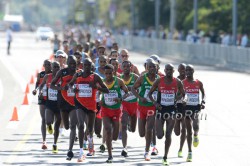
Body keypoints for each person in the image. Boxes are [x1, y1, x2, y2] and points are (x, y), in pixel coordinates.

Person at [68, 58, 109, 161]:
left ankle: (90, 142)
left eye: (88, 65)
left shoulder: (95, 77)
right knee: (81, 125)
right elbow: (70, 84)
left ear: (91, 66)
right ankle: (81, 151)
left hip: (91, 105)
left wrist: (96, 87)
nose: (86, 67)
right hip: (79, 103)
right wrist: (73, 89)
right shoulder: (77, 75)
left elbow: (106, 90)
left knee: (90, 129)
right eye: (85, 65)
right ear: (82, 65)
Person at [148, 63, 185, 165]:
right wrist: (155, 103)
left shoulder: (177, 82)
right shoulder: (159, 80)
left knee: (168, 135)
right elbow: (150, 93)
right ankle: (161, 130)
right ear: (164, 71)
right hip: (160, 109)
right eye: (167, 70)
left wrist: (179, 99)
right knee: (159, 135)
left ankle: (165, 157)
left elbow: (183, 93)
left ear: (173, 71)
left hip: (172, 110)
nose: (169, 71)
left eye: (171, 70)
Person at [50, 56, 77, 161]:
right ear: (68, 63)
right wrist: (61, 88)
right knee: (66, 126)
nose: (73, 66)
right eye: (71, 64)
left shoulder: (78, 73)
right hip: (63, 102)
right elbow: (52, 85)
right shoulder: (61, 72)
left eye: (74, 64)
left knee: (73, 125)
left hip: (74, 103)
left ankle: (70, 150)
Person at [100, 64, 129, 163]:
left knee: (115, 136)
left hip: (116, 110)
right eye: (106, 73)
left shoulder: (119, 81)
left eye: (110, 73)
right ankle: (110, 155)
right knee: (108, 130)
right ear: (104, 73)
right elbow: (97, 93)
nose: (108, 75)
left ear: (113, 72)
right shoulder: (102, 82)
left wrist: (120, 99)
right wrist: (99, 101)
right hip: (106, 109)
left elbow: (127, 92)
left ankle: (111, 142)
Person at [131, 59, 159, 161]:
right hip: (142, 106)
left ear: (157, 68)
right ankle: (149, 143)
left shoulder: (159, 80)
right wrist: (139, 97)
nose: (152, 69)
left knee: (150, 129)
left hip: (152, 107)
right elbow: (133, 89)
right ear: (147, 68)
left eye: (154, 67)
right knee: (142, 133)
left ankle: (147, 152)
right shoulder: (142, 78)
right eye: (150, 67)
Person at [183, 64, 206, 162]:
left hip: (196, 107)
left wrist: (203, 101)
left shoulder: (198, 82)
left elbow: (204, 93)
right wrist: (182, 99)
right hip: (186, 108)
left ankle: (196, 135)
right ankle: (189, 152)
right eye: (186, 70)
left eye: (190, 70)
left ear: (193, 71)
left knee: (195, 127)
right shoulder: (182, 82)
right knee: (188, 131)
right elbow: (178, 93)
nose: (188, 72)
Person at [38, 61, 61, 153]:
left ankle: (55, 144)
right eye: (54, 67)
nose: (56, 69)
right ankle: (48, 126)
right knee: (47, 121)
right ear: (52, 67)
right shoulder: (47, 76)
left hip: (59, 105)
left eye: (57, 67)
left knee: (57, 126)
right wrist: (40, 92)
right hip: (49, 103)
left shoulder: (62, 78)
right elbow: (41, 85)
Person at [120, 60, 139, 157]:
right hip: (125, 105)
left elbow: (142, 88)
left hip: (134, 105)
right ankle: (125, 148)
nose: (126, 68)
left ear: (131, 67)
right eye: (124, 66)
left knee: (133, 129)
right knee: (123, 125)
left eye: (128, 66)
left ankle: (129, 124)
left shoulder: (135, 77)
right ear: (122, 68)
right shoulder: (119, 78)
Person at [32, 59, 52, 149]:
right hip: (42, 98)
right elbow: (37, 84)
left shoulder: (54, 74)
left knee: (50, 120)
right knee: (43, 119)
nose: (48, 66)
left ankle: (50, 124)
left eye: (49, 65)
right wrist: (36, 90)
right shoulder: (41, 74)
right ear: (44, 65)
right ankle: (44, 141)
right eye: (46, 65)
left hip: (51, 98)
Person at [174, 63, 187, 158]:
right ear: (178, 70)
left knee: (184, 129)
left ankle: (180, 149)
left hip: (186, 107)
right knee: (177, 132)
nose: (183, 71)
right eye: (181, 69)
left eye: (184, 69)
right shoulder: (175, 80)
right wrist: (181, 95)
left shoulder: (189, 80)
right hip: (177, 105)